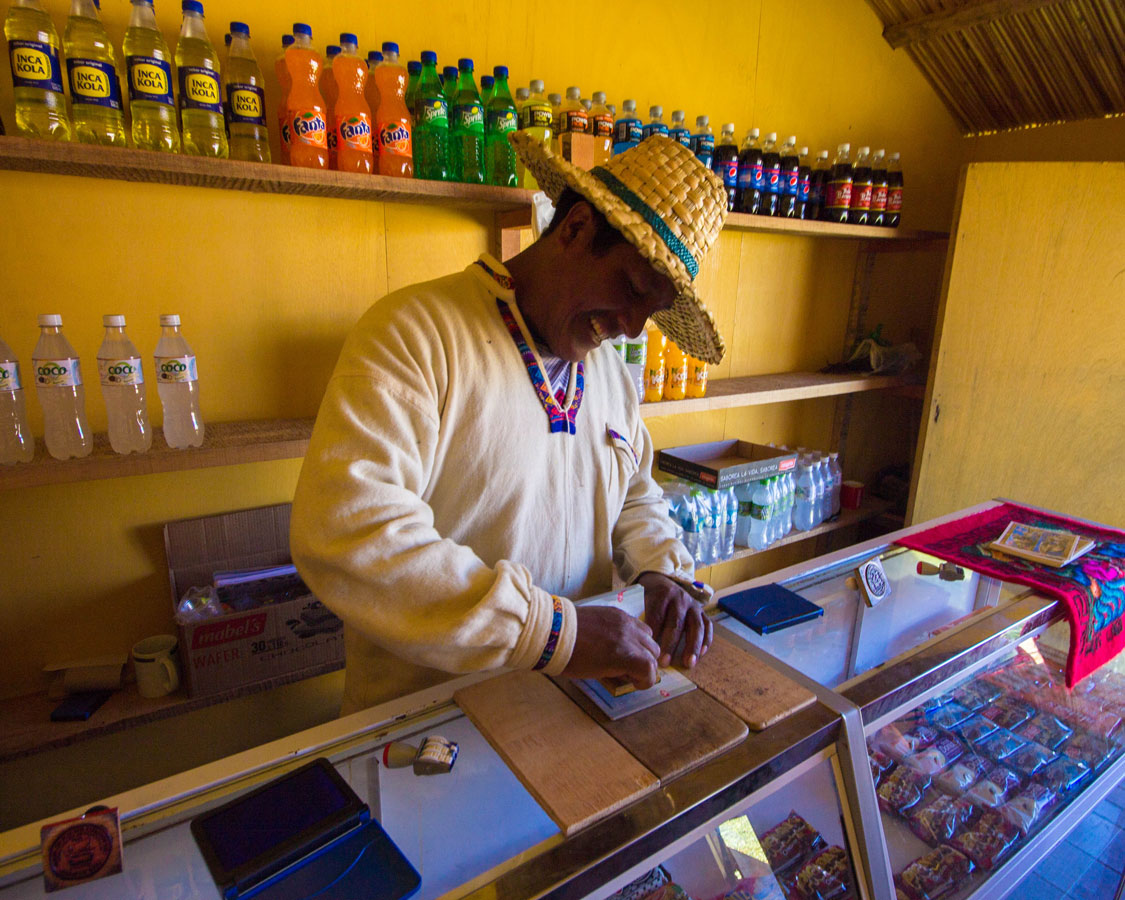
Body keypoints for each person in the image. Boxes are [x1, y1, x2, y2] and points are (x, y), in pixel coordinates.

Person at [290, 132, 730, 713]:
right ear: (574, 230)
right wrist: (553, 633)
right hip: (427, 728)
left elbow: (634, 498)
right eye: (630, 290)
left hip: (569, 714)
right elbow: (349, 530)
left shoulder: (610, 380)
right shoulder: (414, 335)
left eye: (649, 314)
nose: (629, 328)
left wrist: (662, 574)